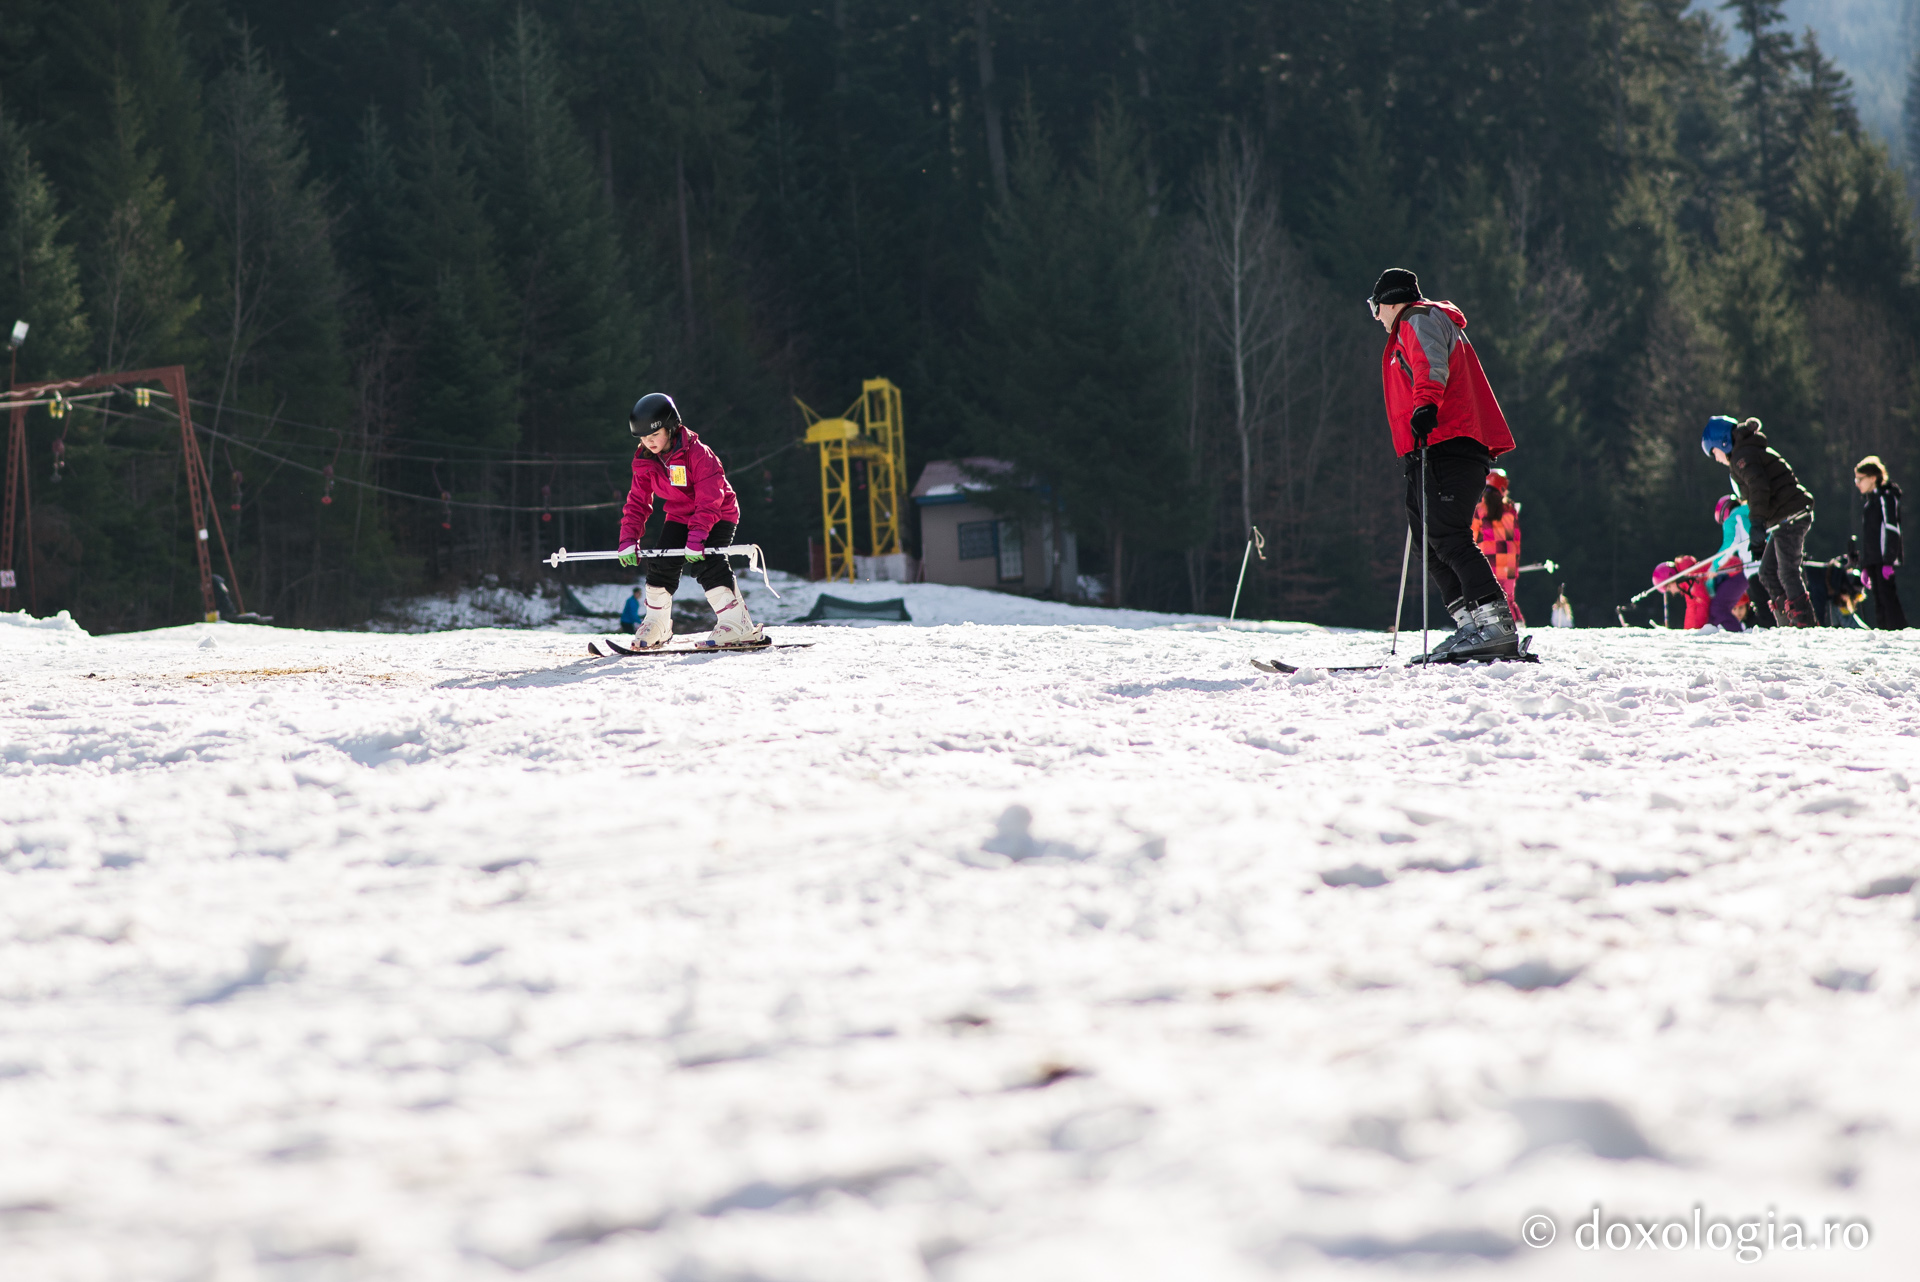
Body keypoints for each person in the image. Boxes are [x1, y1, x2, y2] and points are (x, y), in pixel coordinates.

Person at [1370, 267, 1518, 661]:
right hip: (1426, 449)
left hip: (1448, 441)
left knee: (1447, 534)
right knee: (1429, 542)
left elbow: (1429, 365)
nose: (1377, 317)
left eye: (1375, 307)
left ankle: (1495, 626)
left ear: (1389, 301)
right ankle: (1471, 625)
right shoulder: (1413, 322)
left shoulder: (1417, 318)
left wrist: (1425, 407)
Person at [617, 392, 764, 648]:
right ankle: (657, 625)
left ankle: (737, 626)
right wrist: (629, 538)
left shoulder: (698, 454)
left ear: (671, 427)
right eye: (643, 438)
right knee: (661, 562)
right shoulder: (644, 461)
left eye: (654, 435)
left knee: (707, 561)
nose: (648, 443)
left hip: (717, 513)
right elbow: (638, 501)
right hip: (680, 515)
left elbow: (710, 498)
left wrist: (697, 537)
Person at [1700, 415, 1816, 627]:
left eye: (1714, 452)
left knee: (1786, 571)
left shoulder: (1742, 457)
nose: (1716, 458)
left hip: (1791, 515)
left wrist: (1757, 525)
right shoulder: (1744, 453)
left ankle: (1804, 625)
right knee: (1767, 571)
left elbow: (1758, 488)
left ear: (1722, 443)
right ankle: (1786, 622)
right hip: (1782, 518)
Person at [1855, 455, 1905, 630]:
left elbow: (1892, 529)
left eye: (1860, 479)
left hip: (1885, 559)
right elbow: (1869, 538)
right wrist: (1866, 566)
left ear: (1873, 478)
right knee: (1878, 600)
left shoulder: (1886, 498)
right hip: (1874, 560)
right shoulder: (1869, 504)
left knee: (1888, 598)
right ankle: (1884, 635)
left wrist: (1889, 560)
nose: (1857, 483)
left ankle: (1899, 633)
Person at [1470, 468, 1525, 625]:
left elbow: (1471, 537)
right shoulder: (1510, 509)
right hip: (1508, 564)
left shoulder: (1480, 510)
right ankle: (1517, 624)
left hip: (1488, 563)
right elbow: (1516, 538)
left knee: (1489, 600)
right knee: (1509, 599)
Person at [1704, 495, 1749, 632]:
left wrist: (1715, 566)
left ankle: (1738, 636)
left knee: (1719, 608)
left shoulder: (1734, 519)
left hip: (1750, 568)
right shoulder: (1753, 511)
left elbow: (1729, 546)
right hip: (1757, 564)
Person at [1651, 557, 1711, 629]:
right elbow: (1691, 609)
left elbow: (1702, 603)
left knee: (1716, 612)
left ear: (1672, 578)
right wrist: (1688, 630)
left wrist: (1697, 630)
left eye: (1669, 588)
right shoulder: (1686, 585)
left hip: (1725, 578)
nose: (1672, 593)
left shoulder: (1690, 577)